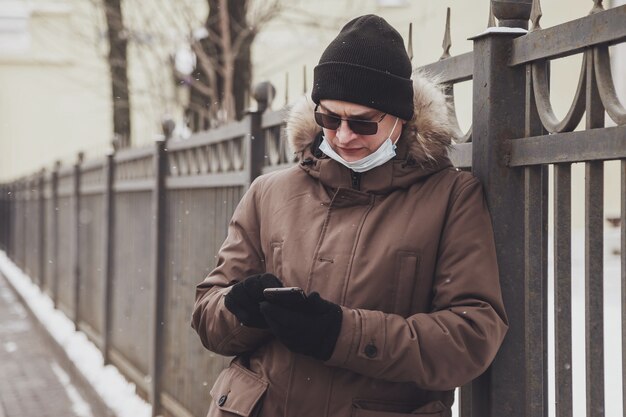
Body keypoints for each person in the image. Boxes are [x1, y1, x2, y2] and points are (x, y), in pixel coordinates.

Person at [192, 14, 507, 417]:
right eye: (329, 119)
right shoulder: (269, 193)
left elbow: (471, 335)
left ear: (400, 120)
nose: (343, 136)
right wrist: (239, 309)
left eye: (362, 122)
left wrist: (343, 334)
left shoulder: (450, 198)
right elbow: (207, 316)